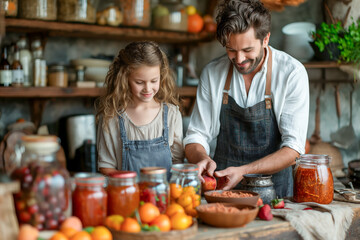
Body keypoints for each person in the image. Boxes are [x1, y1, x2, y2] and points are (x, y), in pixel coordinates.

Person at [184, 0, 309, 197]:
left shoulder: (291, 73)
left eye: (248, 50)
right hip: (222, 191)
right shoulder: (212, 73)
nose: (239, 59)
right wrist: (200, 158)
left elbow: (293, 149)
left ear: (265, 39)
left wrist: (243, 171)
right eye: (231, 50)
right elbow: (196, 136)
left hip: (275, 195)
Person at [96, 41, 184, 177]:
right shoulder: (111, 116)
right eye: (139, 82)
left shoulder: (172, 114)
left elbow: (178, 161)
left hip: (164, 196)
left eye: (154, 81)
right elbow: (106, 166)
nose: (148, 88)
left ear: (162, 76)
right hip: (128, 195)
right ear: (124, 78)